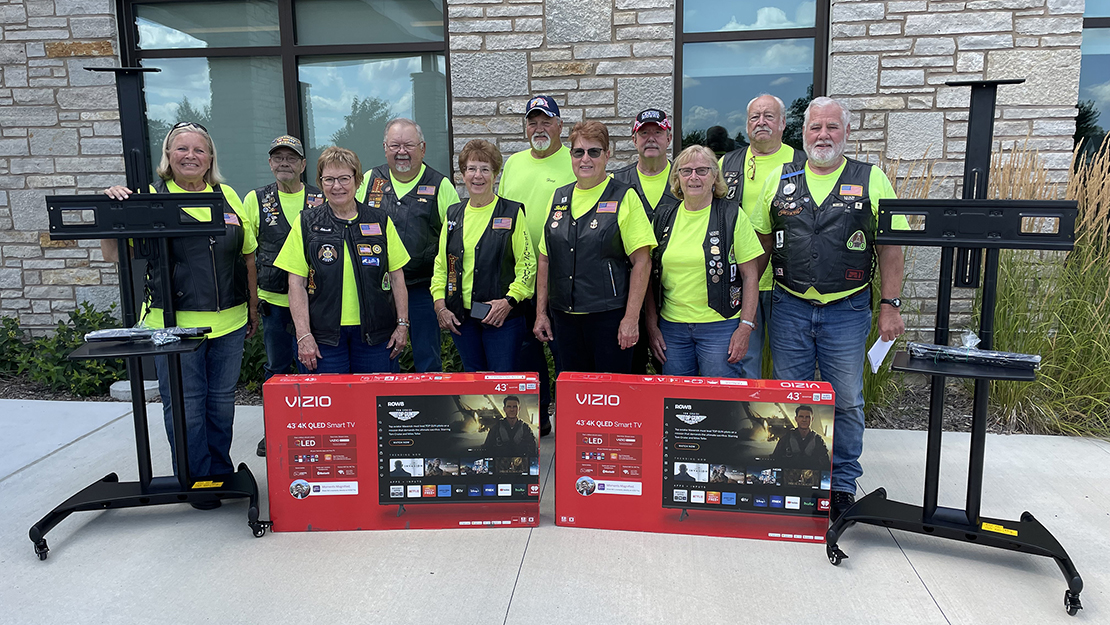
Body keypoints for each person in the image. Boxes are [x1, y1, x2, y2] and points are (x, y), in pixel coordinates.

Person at [749, 96, 906, 521]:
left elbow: (892, 248)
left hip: (847, 309)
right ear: (803, 134)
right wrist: (744, 303)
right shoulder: (780, 179)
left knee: (847, 401)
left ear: (846, 132)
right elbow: (760, 244)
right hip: (789, 306)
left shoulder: (871, 179)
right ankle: (793, 479)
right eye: (815, 127)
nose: (823, 135)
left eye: (831, 127)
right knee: (789, 398)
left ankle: (840, 485)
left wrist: (890, 305)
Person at [101, 122, 257, 507]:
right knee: (186, 405)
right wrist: (113, 211)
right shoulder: (150, 198)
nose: (191, 156)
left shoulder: (228, 195)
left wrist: (253, 308)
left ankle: (219, 472)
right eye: (182, 149)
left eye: (199, 150)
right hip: (173, 328)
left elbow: (248, 255)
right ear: (168, 157)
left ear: (210, 159)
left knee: (220, 403)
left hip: (230, 322)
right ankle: (195, 479)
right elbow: (112, 254)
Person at [533, 121, 657, 375]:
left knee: (612, 395)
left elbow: (642, 263)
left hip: (608, 318)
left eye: (594, 151)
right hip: (564, 318)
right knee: (574, 391)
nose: (585, 159)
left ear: (607, 155)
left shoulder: (624, 196)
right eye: (579, 152)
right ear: (571, 156)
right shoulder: (558, 198)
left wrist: (631, 319)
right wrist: (541, 313)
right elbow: (545, 259)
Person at [275, 146, 411, 374]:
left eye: (344, 178)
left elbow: (397, 278)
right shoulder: (307, 222)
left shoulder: (380, 221)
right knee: (329, 406)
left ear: (357, 180)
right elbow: (296, 284)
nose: (336, 186)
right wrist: (303, 335)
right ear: (320, 183)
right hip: (323, 339)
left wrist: (402, 324)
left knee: (373, 405)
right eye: (329, 179)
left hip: (375, 337)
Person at [644, 145, 763, 378]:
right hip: (672, 328)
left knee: (719, 402)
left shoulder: (732, 215)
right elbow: (648, 274)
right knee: (678, 403)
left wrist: (745, 327)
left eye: (702, 170)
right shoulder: (663, 217)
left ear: (714, 176)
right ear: (677, 178)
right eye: (686, 171)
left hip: (720, 326)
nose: (693, 177)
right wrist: (651, 324)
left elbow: (750, 275)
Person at [355, 118, 460, 373]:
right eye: (395, 146)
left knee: (428, 355)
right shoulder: (369, 181)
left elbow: (456, 240)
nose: (401, 152)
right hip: (380, 290)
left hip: (422, 288)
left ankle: (431, 408)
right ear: (384, 147)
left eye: (409, 145)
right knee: (383, 353)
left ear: (422, 148)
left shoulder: (440, 185)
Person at [242, 135, 324, 458]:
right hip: (273, 301)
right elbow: (248, 254)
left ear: (303, 165)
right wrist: (250, 302)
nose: (284, 163)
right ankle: (275, 428)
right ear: (270, 163)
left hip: (313, 302)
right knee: (277, 368)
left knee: (312, 368)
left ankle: (312, 428)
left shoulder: (320, 198)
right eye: (278, 158)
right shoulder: (256, 199)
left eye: (291, 158)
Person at [498, 95, 575, 435]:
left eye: (546, 121)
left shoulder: (573, 160)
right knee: (526, 354)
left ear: (560, 125)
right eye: (533, 121)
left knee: (564, 353)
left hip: (562, 274)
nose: (539, 128)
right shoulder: (513, 163)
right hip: (520, 275)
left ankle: (573, 423)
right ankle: (539, 419)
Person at [720, 94, 807, 379]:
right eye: (755, 117)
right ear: (746, 126)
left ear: (783, 123)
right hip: (741, 279)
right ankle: (746, 421)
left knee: (789, 363)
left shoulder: (802, 163)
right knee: (744, 359)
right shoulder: (726, 164)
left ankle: (785, 422)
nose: (761, 122)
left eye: (769, 116)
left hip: (788, 283)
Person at [431, 140, 536, 372]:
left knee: (503, 386)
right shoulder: (453, 215)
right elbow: (441, 266)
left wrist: (509, 302)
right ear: (463, 174)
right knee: (474, 386)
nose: (478, 175)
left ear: (495, 175)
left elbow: (527, 264)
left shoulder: (512, 213)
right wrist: (441, 306)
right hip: (462, 321)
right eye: (471, 168)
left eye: (485, 169)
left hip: (502, 319)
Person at [612, 108, 679, 375]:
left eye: (658, 132)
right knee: (631, 371)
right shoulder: (616, 183)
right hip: (628, 294)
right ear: (634, 139)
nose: (651, 138)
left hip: (675, 291)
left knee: (673, 370)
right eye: (644, 133)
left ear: (669, 137)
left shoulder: (685, 179)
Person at [771, 405, 831, 469]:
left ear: (812, 419)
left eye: (807, 417)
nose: (804, 420)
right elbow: (775, 461)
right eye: (801, 417)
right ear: (796, 419)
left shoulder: (818, 440)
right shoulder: (786, 439)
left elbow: (825, 465)